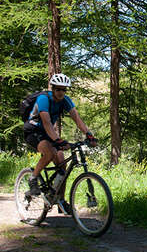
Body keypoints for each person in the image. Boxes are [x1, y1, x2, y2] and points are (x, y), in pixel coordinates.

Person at [23, 74, 97, 208]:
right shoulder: (43, 99)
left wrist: (89, 134)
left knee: (62, 164)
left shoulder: (65, 100)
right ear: (53, 89)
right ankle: (33, 178)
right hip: (33, 131)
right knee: (49, 153)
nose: (61, 92)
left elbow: (77, 119)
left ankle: (60, 200)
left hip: (48, 133)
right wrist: (58, 140)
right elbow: (46, 122)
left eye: (64, 90)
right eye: (58, 89)